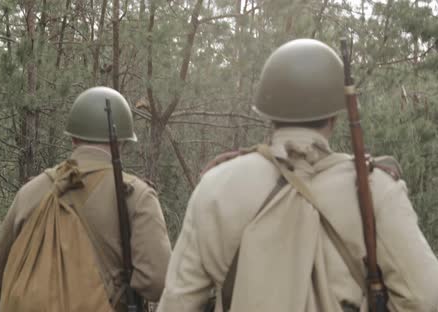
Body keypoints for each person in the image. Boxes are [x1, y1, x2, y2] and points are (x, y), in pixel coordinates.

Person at [157, 39, 438, 312]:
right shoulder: (377, 188)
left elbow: (179, 301)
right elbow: (425, 299)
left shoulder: (216, 186)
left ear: (269, 113)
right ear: (335, 116)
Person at [0, 86, 172, 311]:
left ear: (74, 137)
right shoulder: (136, 196)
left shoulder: (30, 192)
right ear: (122, 142)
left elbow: (0, 279)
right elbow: (157, 282)